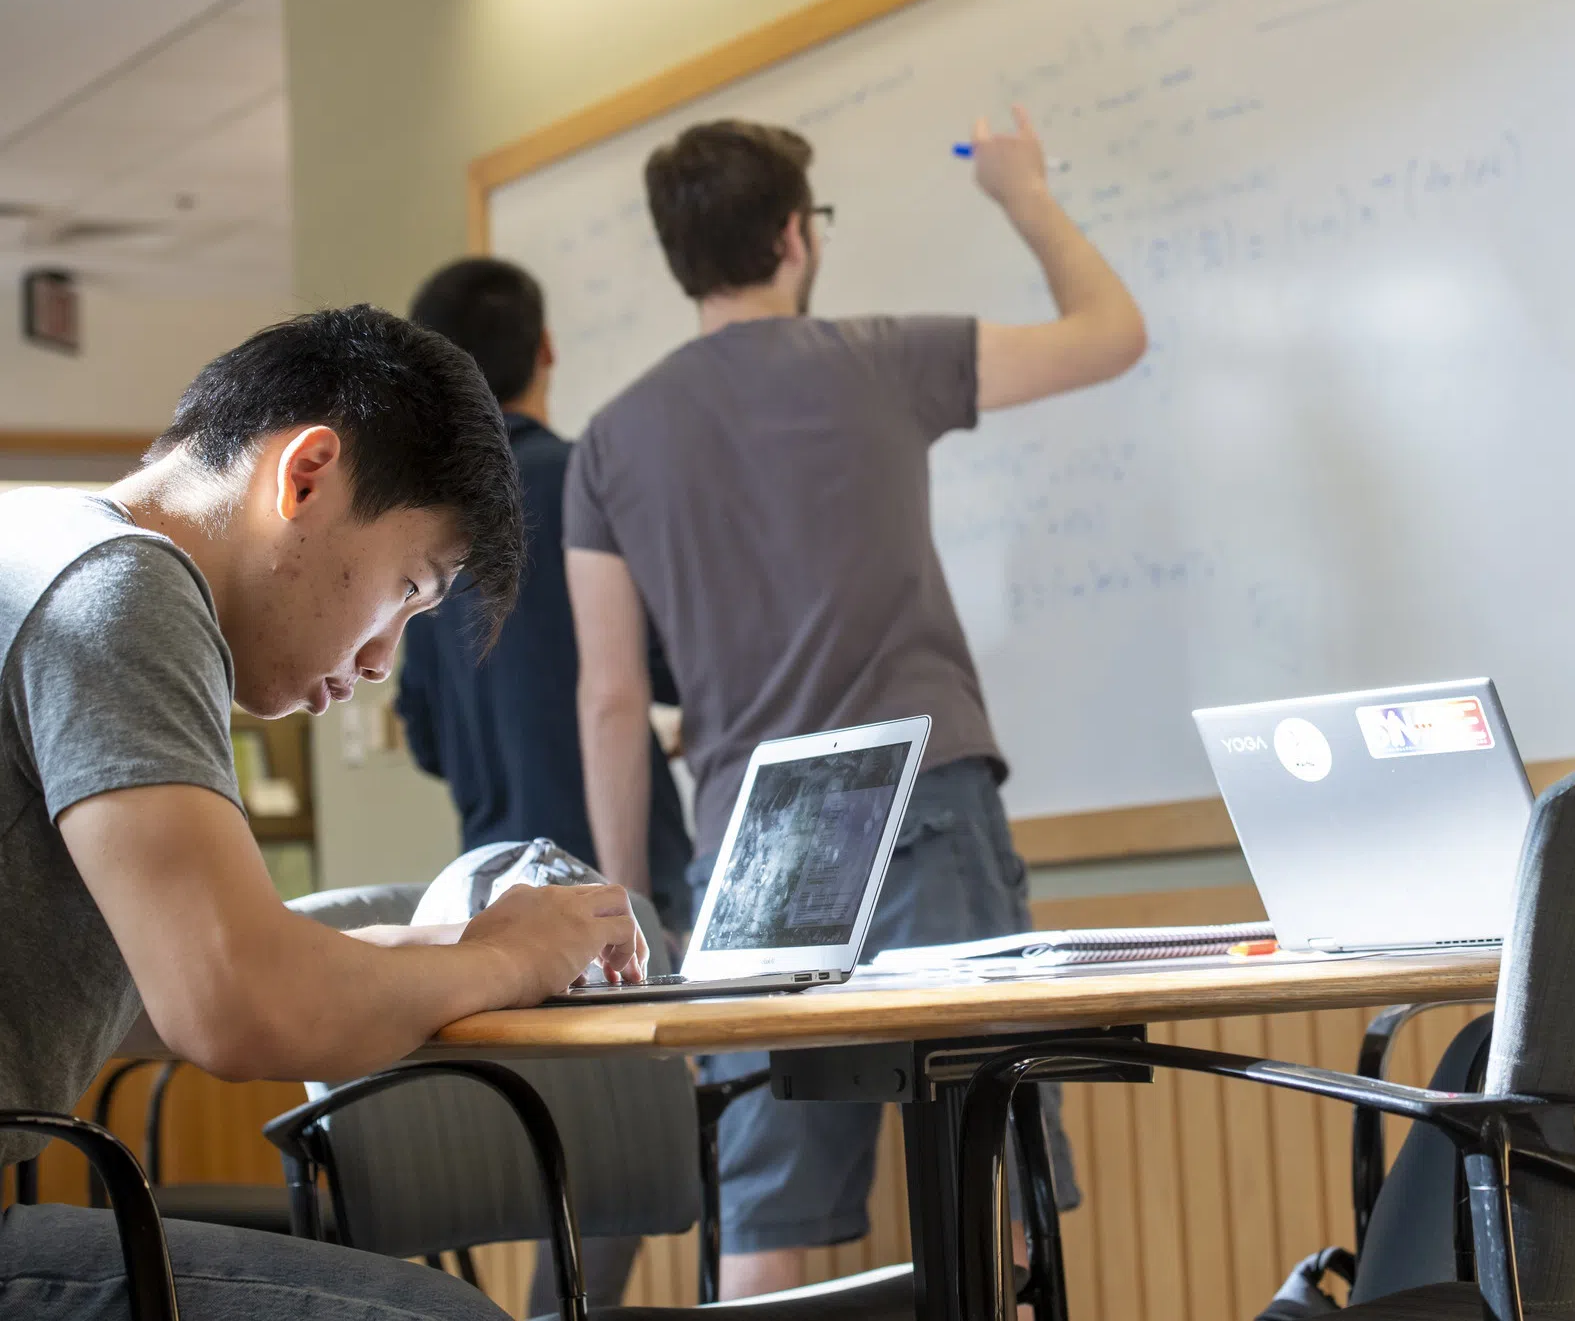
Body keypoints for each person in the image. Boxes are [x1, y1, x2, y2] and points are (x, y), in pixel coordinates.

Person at [563, 107, 1146, 1296]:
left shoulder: (612, 443)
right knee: (994, 1160)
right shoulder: (881, 356)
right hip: (923, 796)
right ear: (793, 235)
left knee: (764, 1206)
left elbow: (614, 701)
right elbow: (1110, 334)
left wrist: (628, 911)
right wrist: (1019, 191)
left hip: (753, 842)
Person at [0, 306, 645, 1321]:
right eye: (408, 588)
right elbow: (234, 1004)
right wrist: (508, 959)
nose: (385, 659)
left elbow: (141, 992)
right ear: (305, 475)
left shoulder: (34, 541)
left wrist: (429, 945)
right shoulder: (119, 584)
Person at [398, 258, 695, 934]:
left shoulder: (420, 523)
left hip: (492, 892)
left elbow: (427, 739)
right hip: (623, 871)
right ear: (546, 349)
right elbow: (675, 665)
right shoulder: (587, 484)